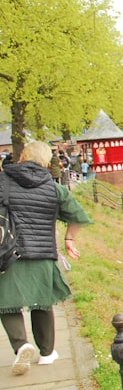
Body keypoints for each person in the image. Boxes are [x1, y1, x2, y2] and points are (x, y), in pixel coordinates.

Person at [0, 141, 92, 376]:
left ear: (21, 156)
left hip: (9, 252)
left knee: (6, 302)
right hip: (43, 253)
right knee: (41, 302)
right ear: (46, 162)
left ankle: (22, 345)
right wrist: (69, 240)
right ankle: (47, 352)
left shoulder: (3, 182)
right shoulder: (54, 188)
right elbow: (78, 216)